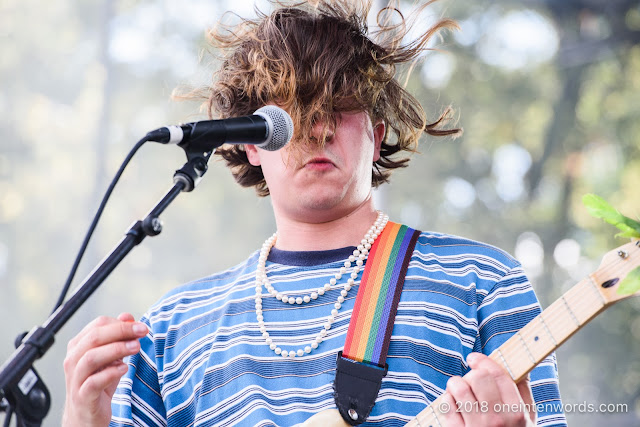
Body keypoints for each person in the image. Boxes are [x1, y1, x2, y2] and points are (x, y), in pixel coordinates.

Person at [62, 1, 566, 426]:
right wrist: (83, 416)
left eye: (340, 106)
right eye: (292, 111)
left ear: (377, 131)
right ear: (252, 142)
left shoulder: (483, 281)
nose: (317, 130)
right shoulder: (171, 328)